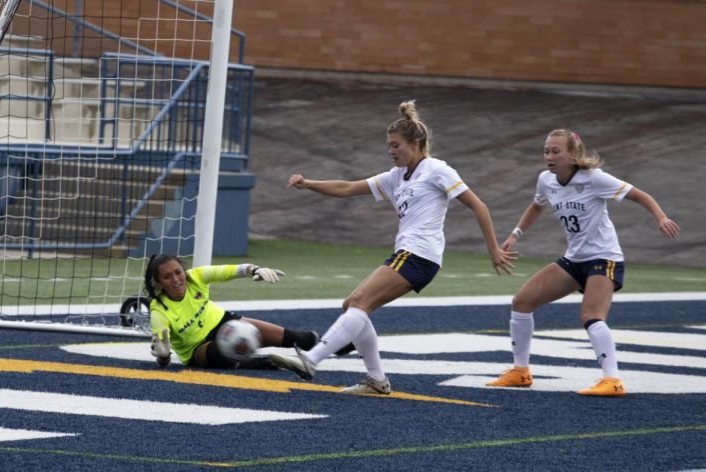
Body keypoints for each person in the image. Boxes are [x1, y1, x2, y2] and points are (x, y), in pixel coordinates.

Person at [268, 100, 516, 395]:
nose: (391, 151)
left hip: (420, 255)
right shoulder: (396, 176)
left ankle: (311, 359)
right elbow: (348, 188)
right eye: (388, 145)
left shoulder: (437, 169)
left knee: (359, 302)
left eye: (396, 145)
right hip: (407, 253)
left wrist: (492, 248)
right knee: (352, 305)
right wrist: (308, 183)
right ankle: (376, 381)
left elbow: (479, 205)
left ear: (416, 143)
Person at [486, 129, 680, 397]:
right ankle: (520, 372)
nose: (549, 156)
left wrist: (661, 217)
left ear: (573, 154)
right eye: (546, 151)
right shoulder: (546, 180)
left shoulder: (594, 179)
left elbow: (639, 195)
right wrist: (515, 235)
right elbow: (537, 206)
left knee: (591, 315)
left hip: (604, 258)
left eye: (556, 151)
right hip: (574, 259)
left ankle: (612, 379)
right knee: (521, 302)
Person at [145, 254, 319, 369]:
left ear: (184, 270)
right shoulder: (159, 312)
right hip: (198, 348)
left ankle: (341, 344)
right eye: (167, 277)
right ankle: (263, 362)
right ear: (159, 282)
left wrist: (255, 270)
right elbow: (163, 359)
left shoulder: (195, 277)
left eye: (178, 272)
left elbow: (230, 271)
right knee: (220, 354)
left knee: (301, 338)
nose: (176, 280)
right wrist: (164, 357)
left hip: (225, 323)